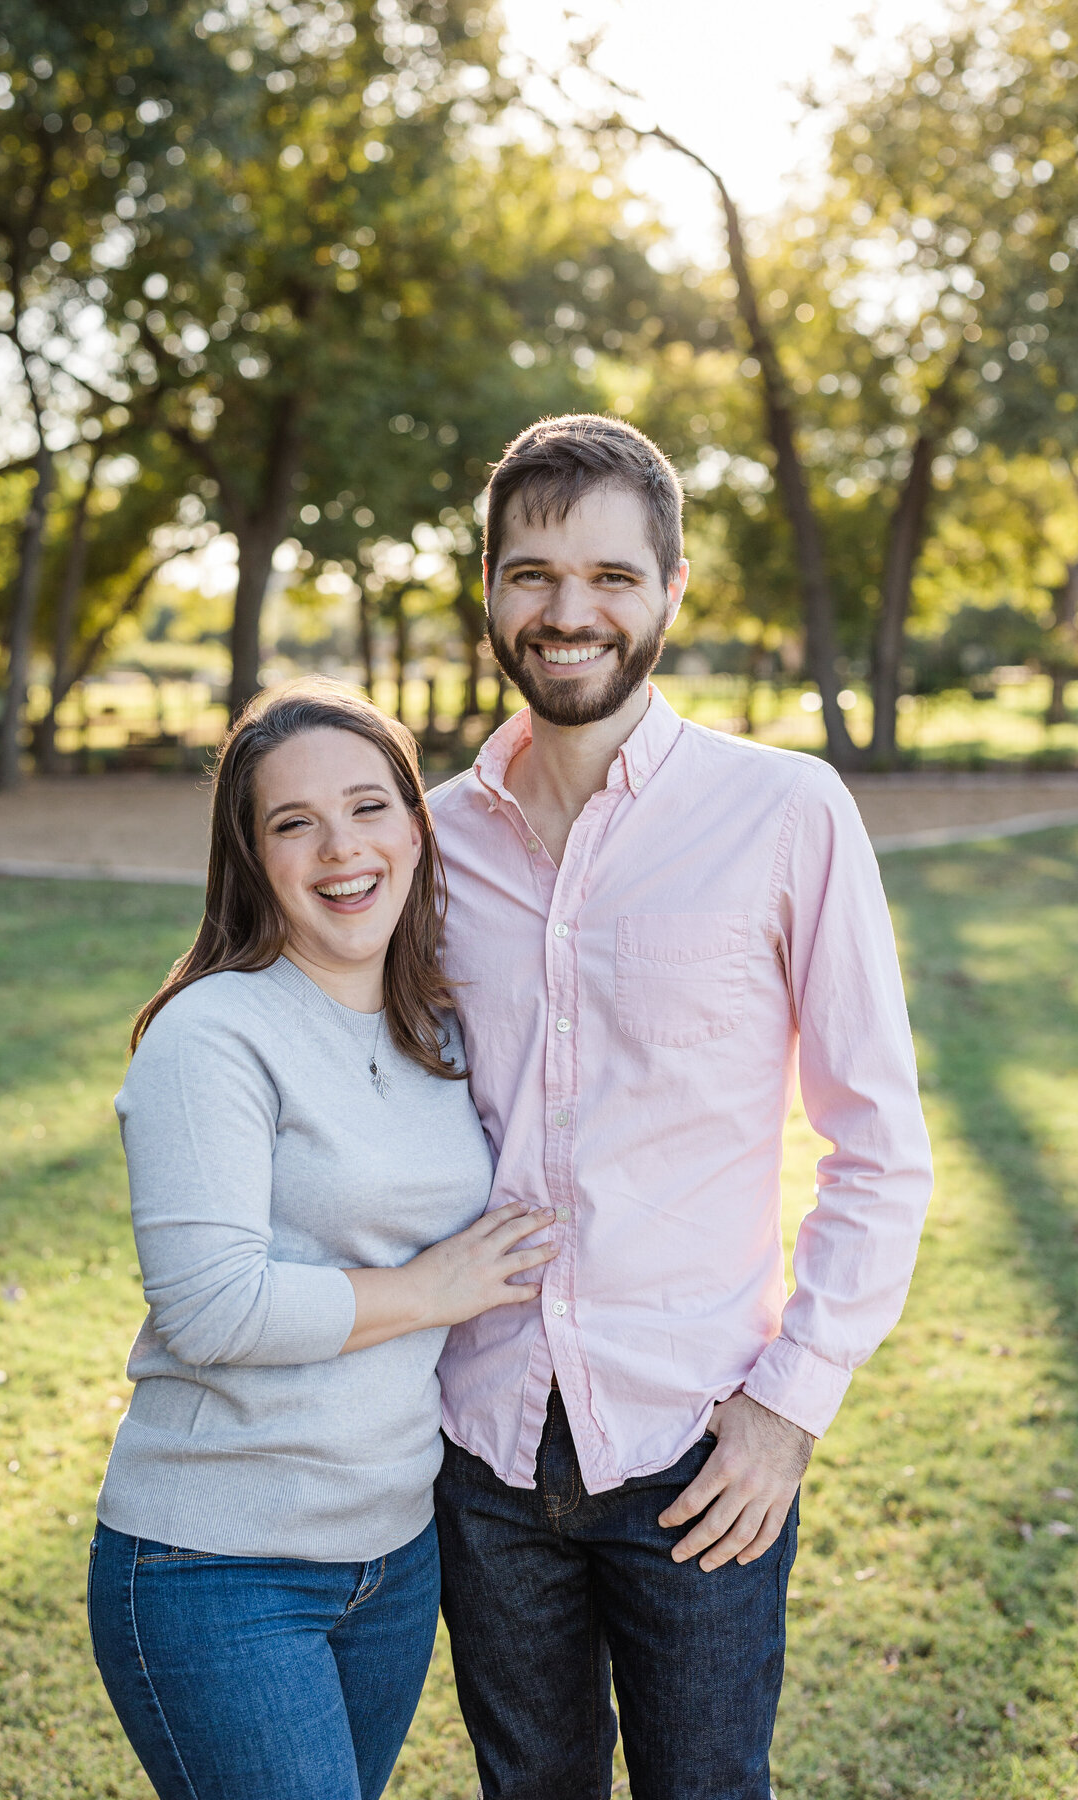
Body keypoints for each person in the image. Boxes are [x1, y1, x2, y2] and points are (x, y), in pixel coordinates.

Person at [430, 414, 934, 1800]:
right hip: (479, 1438)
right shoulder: (428, 840)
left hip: (698, 1447)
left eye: (609, 575)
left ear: (672, 590)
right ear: (488, 592)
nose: (567, 611)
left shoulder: (785, 812)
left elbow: (879, 1150)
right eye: (531, 574)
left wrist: (789, 1410)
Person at [86, 681, 557, 1800]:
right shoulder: (214, 1034)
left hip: (393, 1560)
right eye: (294, 823)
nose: (341, 849)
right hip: (217, 1566)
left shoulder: (433, 1020)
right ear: (251, 857)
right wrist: (432, 1290)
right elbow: (211, 1308)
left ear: (414, 826)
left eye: (369, 808)